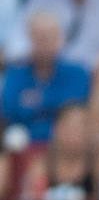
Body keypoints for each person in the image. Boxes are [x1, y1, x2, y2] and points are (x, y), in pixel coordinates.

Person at [1, 10, 91, 143]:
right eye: (41, 37)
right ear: (30, 39)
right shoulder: (15, 74)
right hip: (23, 147)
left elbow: (74, 109)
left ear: (61, 38)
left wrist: (36, 103)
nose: (46, 43)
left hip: (67, 145)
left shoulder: (77, 73)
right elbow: (9, 111)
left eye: (52, 36)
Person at [20, 101, 98, 200]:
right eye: (71, 126)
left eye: (82, 126)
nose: (77, 133)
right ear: (57, 129)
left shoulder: (98, 165)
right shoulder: (41, 166)